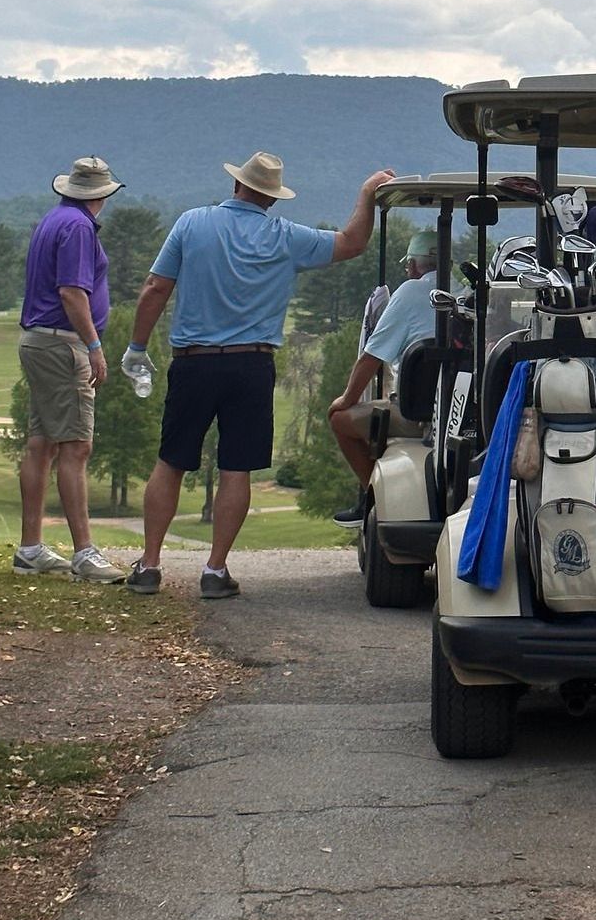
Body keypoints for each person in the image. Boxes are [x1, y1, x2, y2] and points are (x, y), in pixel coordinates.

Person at [121, 152, 395, 598]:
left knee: (171, 462)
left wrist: (136, 346)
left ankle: (150, 565)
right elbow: (352, 242)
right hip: (251, 365)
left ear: (236, 185)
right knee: (236, 468)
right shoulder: (285, 236)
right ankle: (214, 570)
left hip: (193, 362)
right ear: (272, 198)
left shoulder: (191, 223)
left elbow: (156, 287)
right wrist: (366, 193)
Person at [13, 156, 128, 583]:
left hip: (39, 341)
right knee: (76, 446)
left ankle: (30, 549)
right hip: (63, 344)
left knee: (42, 443)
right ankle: (85, 554)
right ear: (102, 194)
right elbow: (72, 293)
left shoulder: (53, 219)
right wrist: (94, 346)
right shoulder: (79, 227)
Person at [325, 228, 441, 522]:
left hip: (417, 417)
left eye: (408, 266)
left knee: (340, 421)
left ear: (413, 265)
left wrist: (346, 399)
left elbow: (371, 357)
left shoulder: (410, 292)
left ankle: (372, 500)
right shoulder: (466, 292)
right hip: (458, 414)